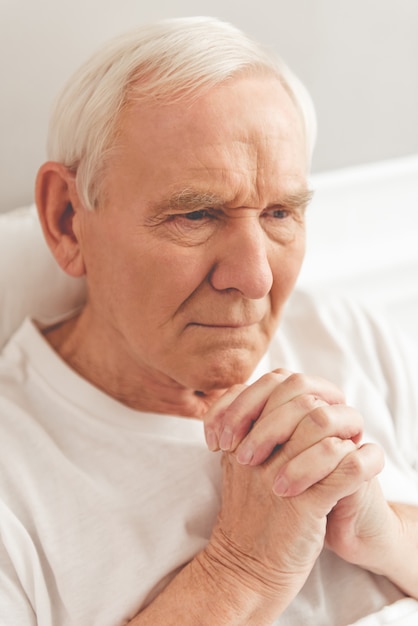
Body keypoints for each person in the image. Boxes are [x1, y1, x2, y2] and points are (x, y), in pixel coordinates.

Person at [0, 15, 417, 626]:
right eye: (195, 214)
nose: (255, 278)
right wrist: (241, 570)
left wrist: (388, 533)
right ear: (68, 219)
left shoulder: (342, 332)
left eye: (280, 213)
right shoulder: (16, 479)